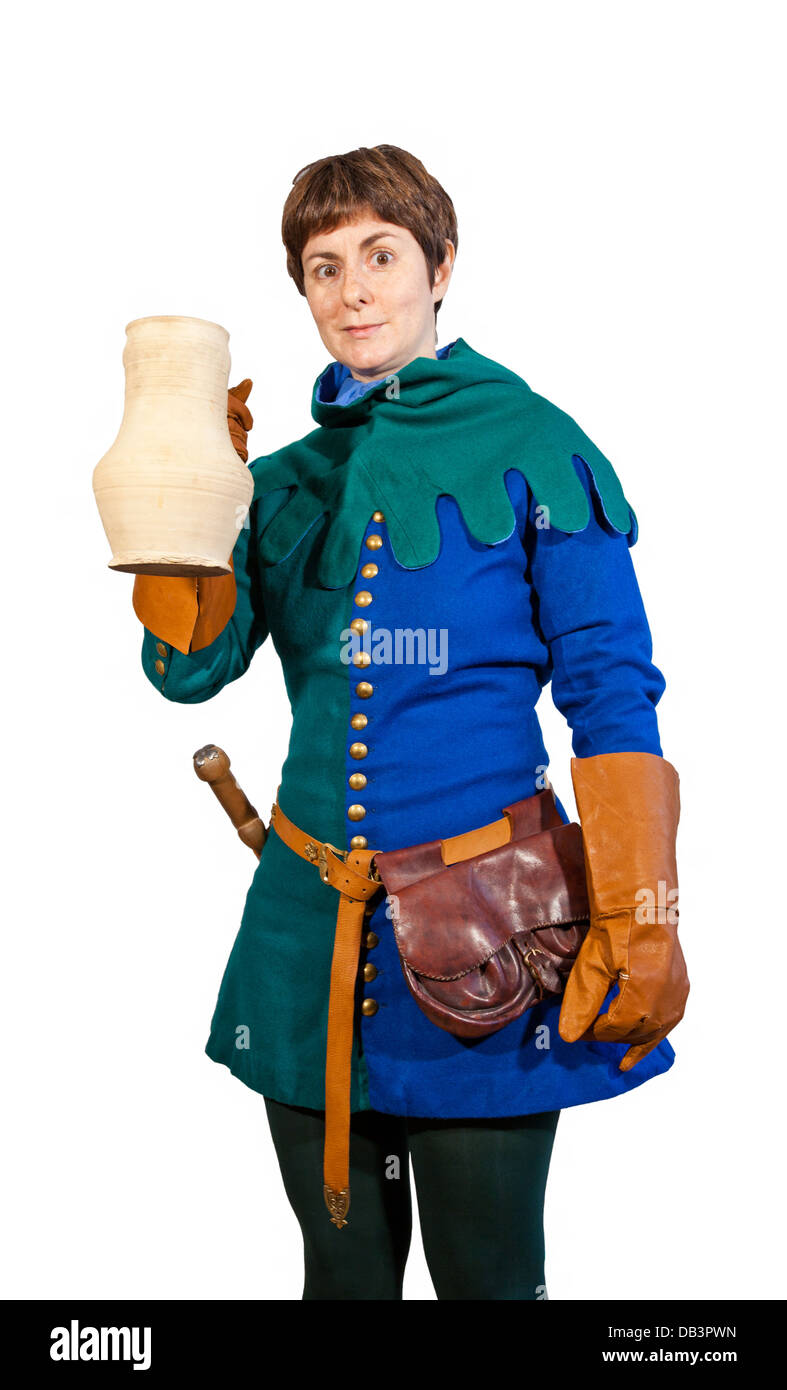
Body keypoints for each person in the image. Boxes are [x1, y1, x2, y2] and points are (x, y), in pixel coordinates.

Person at [130, 144, 689, 1301]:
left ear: (440, 266)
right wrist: (189, 498)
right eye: (322, 267)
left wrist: (642, 917)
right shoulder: (279, 481)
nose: (353, 289)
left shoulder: (538, 445)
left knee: (489, 1283)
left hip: (491, 933)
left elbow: (611, 690)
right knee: (340, 1281)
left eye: (380, 255)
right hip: (302, 935)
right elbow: (189, 677)